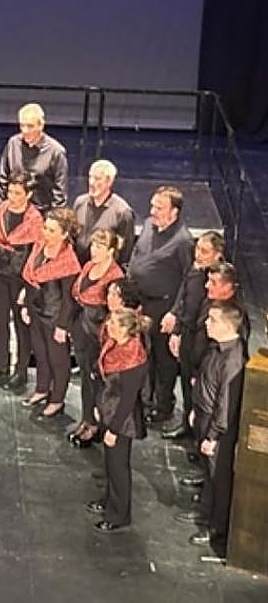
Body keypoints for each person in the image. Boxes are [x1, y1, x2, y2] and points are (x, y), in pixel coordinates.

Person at [127, 185, 193, 424]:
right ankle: (146, 399)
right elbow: (137, 254)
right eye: (152, 205)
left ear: (174, 212)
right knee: (145, 354)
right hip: (142, 302)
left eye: (159, 207)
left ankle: (163, 405)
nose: (152, 210)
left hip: (163, 307)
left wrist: (175, 313)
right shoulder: (148, 225)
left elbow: (189, 280)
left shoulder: (182, 241)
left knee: (163, 359)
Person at [185, 303, 246, 553]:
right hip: (203, 416)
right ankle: (205, 514)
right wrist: (195, 409)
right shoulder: (215, 348)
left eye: (211, 320)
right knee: (207, 474)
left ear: (226, 325)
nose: (206, 323)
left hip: (216, 426)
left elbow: (226, 404)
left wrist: (213, 435)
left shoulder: (234, 359)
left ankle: (216, 528)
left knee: (218, 479)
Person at [88, 307, 150, 533]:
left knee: (118, 466)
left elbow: (128, 400)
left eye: (114, 323)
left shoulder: (134, 358)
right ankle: (108, 500)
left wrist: (113, 429)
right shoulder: (113, 345)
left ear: (126, 329)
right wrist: (98, 407)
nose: (108, 326)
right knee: (109, 464)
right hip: (108, 410)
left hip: (122, 421)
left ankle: (119, 514)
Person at [0, 173, 43, 388]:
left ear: (29, 194)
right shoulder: (0, 212)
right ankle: (0, 365)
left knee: (20, 326)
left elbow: (35, 257)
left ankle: (21, 371)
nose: (12, 197)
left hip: (19, 278)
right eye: (10, 192)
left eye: (17, 193)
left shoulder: (35, 220)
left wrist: (28, 286)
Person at [162, 232, 224, 441]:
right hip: (188, 335)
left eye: (204, 251)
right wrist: (178, 330)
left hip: (205, 342)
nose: (198, 255)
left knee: (202, 393)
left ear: (218, 254)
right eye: (197, 249)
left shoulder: (219, 278)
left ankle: (202, 438)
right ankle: (187, 426)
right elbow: (184, 297)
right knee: (187, 384)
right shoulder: (195, 270)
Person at [19, 208, 81, 418]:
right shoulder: (38, 247)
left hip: (55, 318)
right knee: (41, 355)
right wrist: (26, 305)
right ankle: (42, 389)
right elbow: (30, 279)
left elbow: (69, 299)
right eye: (45, 227)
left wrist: (63, 326)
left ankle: (57, 399)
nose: (45, 233)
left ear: (64, 234)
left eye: (51, 230)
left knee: (58, 361)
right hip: (37, 311)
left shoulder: (68, 262)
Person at [67, 229, 125, 448]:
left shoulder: (115, 276)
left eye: (100, 247)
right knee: (85, 379)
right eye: (93, 246)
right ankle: (87, 419)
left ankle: (99, 424)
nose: (94, 250)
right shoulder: (89, 266)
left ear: (111, 251)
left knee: (99, 382)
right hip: (82, 330)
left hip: (99, 335)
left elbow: (115, 310)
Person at [0, 103, 68, 213]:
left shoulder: (56, 152)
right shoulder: (13, 143)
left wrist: (53, 220)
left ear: (41, 125)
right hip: (13, 211)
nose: (25, 130)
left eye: (30, 126)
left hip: (41, 213)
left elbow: (60, 193)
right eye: (22, 125)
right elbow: (3, 178)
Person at [71, 160, 135, 265]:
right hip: (79, 269)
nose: (91, 182)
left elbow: (125, 253)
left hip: (103, 272)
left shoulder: (122, 212)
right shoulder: (80, 203)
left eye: (97, 178)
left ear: (109, 181)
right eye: (90, 177)